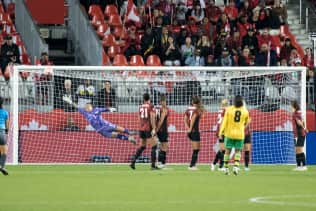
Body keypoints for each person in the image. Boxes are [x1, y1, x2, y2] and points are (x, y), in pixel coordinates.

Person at [62, 96, 136, 144]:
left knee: (121, 129)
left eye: (87, 106)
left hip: (107, 125)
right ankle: (129, 138)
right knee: (116, 136)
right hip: (102, 131)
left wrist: (110, 109)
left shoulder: (96, 109)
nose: (86, 107)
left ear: (91, 106)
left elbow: (105, 109)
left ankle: (131, 133)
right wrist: (70, 101)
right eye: (85, 106)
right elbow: (76, 106)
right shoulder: (84, 112)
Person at [219, 95, 250, 175]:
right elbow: (247, 122)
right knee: (238, 151)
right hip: (240, 134)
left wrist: (221, 132)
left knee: (227, 151)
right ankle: (236, 167)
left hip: (229, 134)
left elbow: (224, 122)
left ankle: (226, 168)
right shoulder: (245, 111)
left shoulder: (229, 110)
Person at [130, 93, 159, 170]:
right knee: (154, 146)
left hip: (141, 129)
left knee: (142, 146)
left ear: (143, 99)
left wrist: (141, 127)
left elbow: (139, 118)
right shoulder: (151, 106)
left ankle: (133, 161)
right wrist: (154, 128)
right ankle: (153, 166)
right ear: (149, 98)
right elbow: (152, 117)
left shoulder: (140, 107)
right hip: (148, 128)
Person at [184, 96, 204, 170]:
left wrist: (187, 128)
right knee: (196, 149)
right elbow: (193, 118)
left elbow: (185, 119)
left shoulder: (188, 109)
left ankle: (193, 165)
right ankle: (192, 165)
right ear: (198, 102)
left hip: (190, 131)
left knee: (195, 149)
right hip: (194, 131)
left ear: (192, 102)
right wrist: (190, 128)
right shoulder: (197, 110)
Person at [211, 99, 229, 171]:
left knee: (222, 150)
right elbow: (222, 122)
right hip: (222, 131)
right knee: (223, 150)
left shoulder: (220, 110)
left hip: (221, 130)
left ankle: (214, 164)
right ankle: (220, 167)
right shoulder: (225, 111)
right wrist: (221, 133)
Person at [291, 100, 308, 171]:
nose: (290, 109)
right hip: (296, 134)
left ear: (294, 107)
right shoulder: (296, 114)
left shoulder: (296, 114)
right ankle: (298, 166)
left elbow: (299, 122)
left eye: (291, 107)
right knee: (297, 150)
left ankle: (304, 166)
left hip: (300, 134)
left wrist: (304, 128)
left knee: (299, 150)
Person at [154, 95, 169, 169]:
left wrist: (154, 129)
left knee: (162, 146)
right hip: (162, 130)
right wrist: (157, 129)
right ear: (162, 101)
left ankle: (161, 163)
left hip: (158, 130)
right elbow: (161, 121)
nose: (166, 103)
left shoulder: (155, 108)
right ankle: (161, 163)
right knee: (164, 146)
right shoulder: (164, 109)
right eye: (165, 101)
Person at [0, 97, 9, 175]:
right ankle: (2, 166)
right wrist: (7, 132)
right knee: (4, 150)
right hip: (1, 131)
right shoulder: (5, 112)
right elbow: (7, 125)